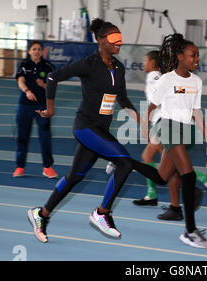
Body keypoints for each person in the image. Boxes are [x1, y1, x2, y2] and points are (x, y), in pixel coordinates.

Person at [27, 18, 167, 243]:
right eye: (114, 38)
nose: (119, 42)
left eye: (121, 38)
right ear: (101, 41)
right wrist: (50, 109)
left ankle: (41, 214)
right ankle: (102, 213)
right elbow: (53, 77)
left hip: (101, 128)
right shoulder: (89, 64)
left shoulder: (119, 68)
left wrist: (140, 120)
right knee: (124, 163)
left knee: (75, 177)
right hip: (85, 127)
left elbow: (122, 98)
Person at [106, 50, 207, 222]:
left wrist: (147, 123)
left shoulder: (155, 77)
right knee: (170, 167)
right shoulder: (165, 78)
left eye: (145, 60)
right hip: (169, 125)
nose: (143, 64)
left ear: (152, 62)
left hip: (164, 125)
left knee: (155, 160)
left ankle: (161, 194)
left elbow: (162, 99)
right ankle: (178, 201)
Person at [142, 33, 207, 248]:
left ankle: (124, 163)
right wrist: (143, 128)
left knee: (161, 178)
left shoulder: (196, 81)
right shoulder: (167, 79)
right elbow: (151, 106)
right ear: (180, 57)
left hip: (185, 130)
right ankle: (190, 231)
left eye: (198, 55)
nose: (197, 59)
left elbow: (196, 111)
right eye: (193, 55)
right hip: (168, 127)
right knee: (189, 175)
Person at [13, 41, 58, 179]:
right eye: (34, 49)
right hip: (25, 105)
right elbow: (20, 81)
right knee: (22, 136)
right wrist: (27, 91)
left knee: (45, 136)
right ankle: (20, 167)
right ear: (29, 51)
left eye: (39, 49)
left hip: (42, 106)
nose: (37, 51)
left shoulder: (49, 66)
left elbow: (52, 87)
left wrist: (43, 85)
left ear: (42, 51)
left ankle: (47, 167)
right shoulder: (23, 64)